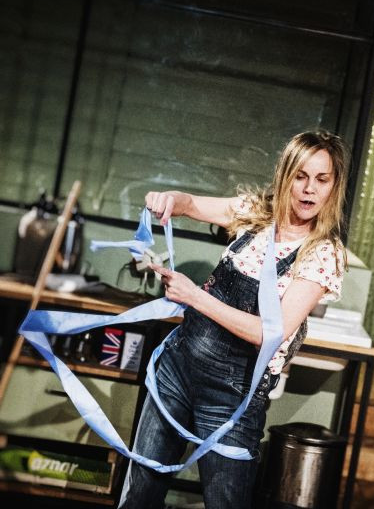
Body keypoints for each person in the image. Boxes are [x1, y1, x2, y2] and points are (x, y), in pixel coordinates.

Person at [118, 130, 349, 509]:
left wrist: (195, 296)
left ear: (334, 186)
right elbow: (191, 204)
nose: (309, 189)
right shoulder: (257, 214)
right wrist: (169, 198)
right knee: (139, 495)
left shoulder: (322, 253)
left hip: (233, 395)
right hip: (177, 371)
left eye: (322, 180)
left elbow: (270, 333)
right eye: (301, 176)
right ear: (285, 176)